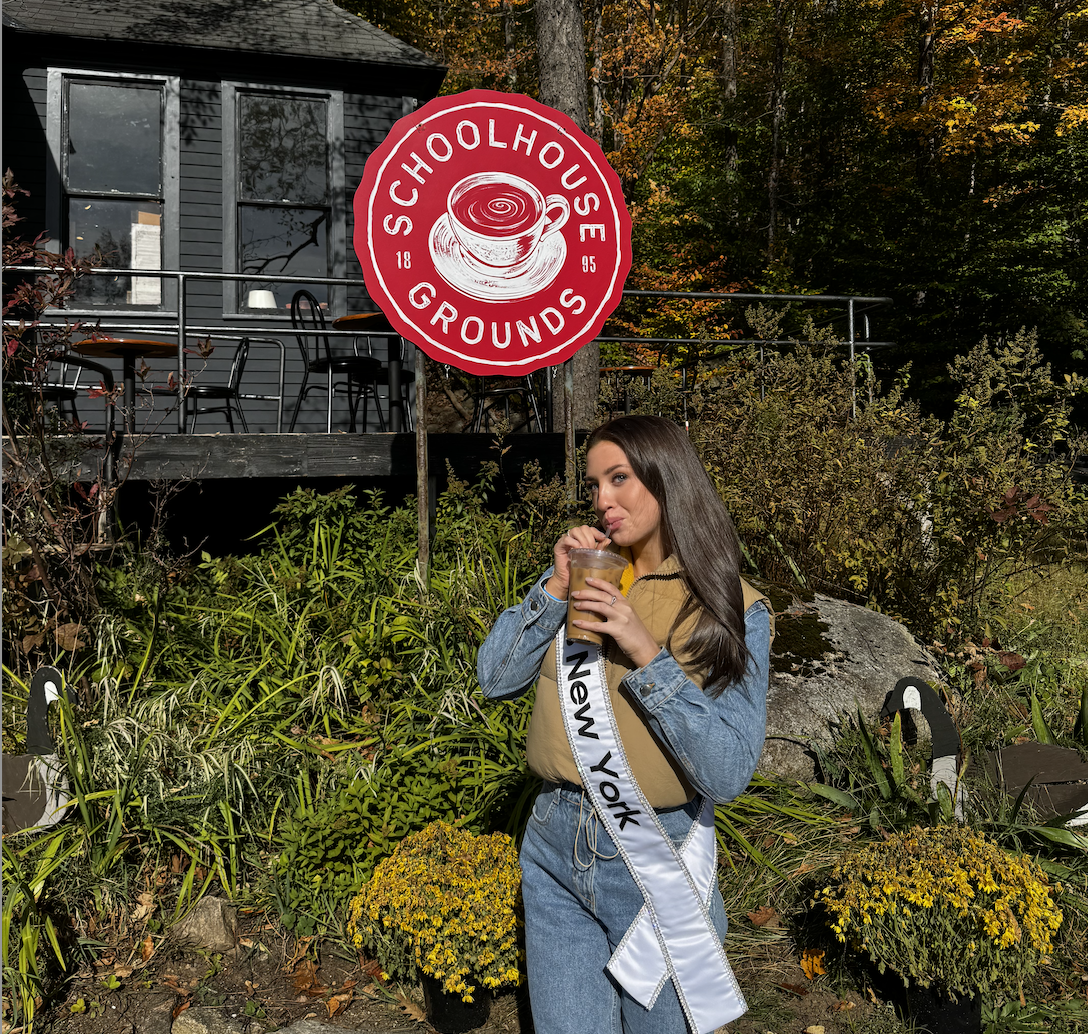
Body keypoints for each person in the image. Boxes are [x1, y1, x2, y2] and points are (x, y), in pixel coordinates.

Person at [477, 415, 774, 1034]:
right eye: (592, 485)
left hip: (652, 856)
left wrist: (646, 653)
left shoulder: (729, 608)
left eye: (619, 479)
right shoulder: (588, 575)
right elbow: (495, 679)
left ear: (667, 481)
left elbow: (728, 770)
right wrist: (554, 586)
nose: (602, 501)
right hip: (555, 843)